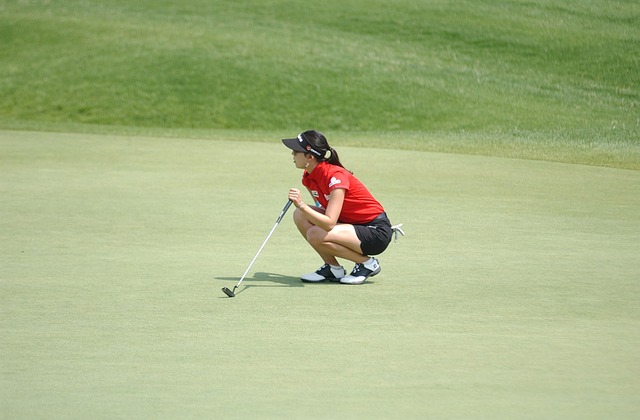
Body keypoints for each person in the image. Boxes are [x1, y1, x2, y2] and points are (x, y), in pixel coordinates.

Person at [281, 130, 394, 285]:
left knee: (314, 232)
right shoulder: (309, 177)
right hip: (350, 227)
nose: (292, 154)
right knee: (299, 215)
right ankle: (333, 268)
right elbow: (322, 209)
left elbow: (329, 223)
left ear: (310, 156)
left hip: (374, 232)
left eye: (295, 151)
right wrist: (301, 209)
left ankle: (367, 264)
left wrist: (301, 204)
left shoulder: (335, 176)